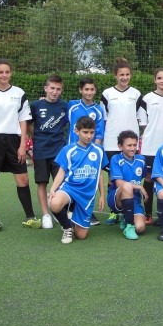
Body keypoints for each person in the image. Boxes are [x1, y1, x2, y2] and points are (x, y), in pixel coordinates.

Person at [0, 58, 41, 232]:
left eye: (7, 72)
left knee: (23, 178)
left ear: (11, 73)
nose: (4, 75)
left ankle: (30, 217)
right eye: (0, 72)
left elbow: (24, 120)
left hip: (14, 141)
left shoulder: (19, 93)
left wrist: (22, 145)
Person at [48, 116, 107, 244]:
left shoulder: (99, 150)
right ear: (76, 131)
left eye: (92, 132)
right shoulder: (68, 150)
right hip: (70, 188)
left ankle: (71, 216)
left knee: (81, 236)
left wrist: (102, 195)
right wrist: (53, 189)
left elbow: (100, 174)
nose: (89, 136)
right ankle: (67, 227)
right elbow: (62, 171)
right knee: (55, 203)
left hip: (87, 195)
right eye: (85, 132)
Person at [100, 58, 143, 225]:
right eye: (121, 75)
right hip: (112, 141)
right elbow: (103, 119)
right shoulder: (107, 94)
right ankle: (114, 211)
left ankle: (130, 210)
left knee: (130, 175)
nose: (124, 77)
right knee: (113, 177)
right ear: (115, 76)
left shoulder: (136, 94)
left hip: (131, 142)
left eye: (127, 74)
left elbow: (140, 118)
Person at [138, 68, 163, 225]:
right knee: (149, 178)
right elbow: (143, 124)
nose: (162, 81)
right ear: (154, 80)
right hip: (150, 146)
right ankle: (147, 213)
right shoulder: (146, 98)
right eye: (159, 78)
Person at [29, 74, 69, 229]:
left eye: (58, 89)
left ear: (61, 90)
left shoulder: (65, 106)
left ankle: (59, 211)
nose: (54, 92)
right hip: (41, 150)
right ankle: (46, 214)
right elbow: (28, 124)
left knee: (61, 183)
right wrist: (37, 136)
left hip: (59, 150)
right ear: (46, 88)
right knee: (42, 183)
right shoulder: (35, 105)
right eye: (52, 88)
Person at [67, 77, 105, 225]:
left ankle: (87, 211)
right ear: (80, 90)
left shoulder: (98, 110)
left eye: (92, 89)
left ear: (95, 91)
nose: (89, 92)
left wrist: (93, 151)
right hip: (74, 152)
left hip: (90, 152)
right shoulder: (72, 105)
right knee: (73, 179)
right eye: (86, 89)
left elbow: (99, 134)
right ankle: (70, 210)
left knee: (89, 180)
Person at [107, 130, 148, 240]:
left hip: (135, 199)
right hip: (116, 198)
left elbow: (145, 176)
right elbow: (118, 182)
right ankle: (129, 226)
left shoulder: (141, 160)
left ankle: (126, 219)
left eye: (135, 145)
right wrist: (139, 187)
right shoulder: (116, 159)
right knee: (127, 186)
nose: (133, 148)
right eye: (129, 145)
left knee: (140, 228)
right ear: (120, 146)